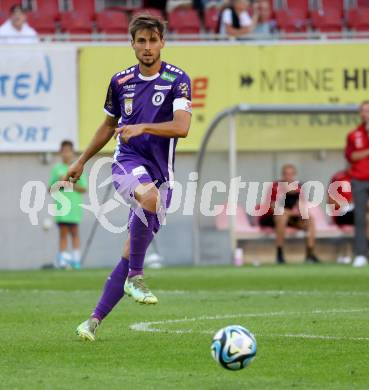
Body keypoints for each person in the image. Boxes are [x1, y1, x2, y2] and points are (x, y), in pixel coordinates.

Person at [64, 15, 192, 341]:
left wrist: (144, 126)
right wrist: (81, 160)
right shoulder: (121, 82)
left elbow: (182, 127)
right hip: (127, 162)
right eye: (141, 41)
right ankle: (137, 276)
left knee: (129, 250)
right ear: (132, 43)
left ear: (162, 42)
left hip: (164, 177)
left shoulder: (177, 80)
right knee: (147, 198)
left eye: (153, 40)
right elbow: (108, 126)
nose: (147, 47)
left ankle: (92, 321)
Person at [259, 164, 320, 264]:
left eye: (291, 174)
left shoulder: (299, 188)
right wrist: (292, 213)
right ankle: (279, 254)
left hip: (289, 217)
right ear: (282, 175)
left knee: (310, 219)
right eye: (286, 174)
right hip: (271, 217)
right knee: (282, 217)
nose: (289, 176)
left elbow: (302, 205)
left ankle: (310, 254)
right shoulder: (275, 186)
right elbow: (274, 207)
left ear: (294, 175)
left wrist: (302, 215)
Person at [49, 140, 87, 269]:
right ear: (60, 152)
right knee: (63, 233)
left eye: (69, 151)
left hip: (74, 207)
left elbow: (83, 188)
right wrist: (60, 183)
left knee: (75, 232)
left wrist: (70, 183)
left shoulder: (77, 168)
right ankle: (63, 261)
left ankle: (76, 261)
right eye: (64, 151)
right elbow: (50, 189)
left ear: (73, 152)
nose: (66, 154)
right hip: (61, 207)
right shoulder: (57, 169)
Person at [345, 101, 369, 267]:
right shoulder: (354, 135)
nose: (366, 113)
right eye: (364, 111)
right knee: (360, 218)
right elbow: (352, 156)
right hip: (360, 179)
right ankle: (361, 253)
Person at [327, 169, 369, 264]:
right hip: (343, 213)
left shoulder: (364, 178)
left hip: (360, 211)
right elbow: (331, 202)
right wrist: (352, 202)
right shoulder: (339, 178)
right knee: (366, 218)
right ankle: (363, 252)